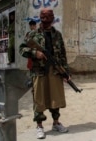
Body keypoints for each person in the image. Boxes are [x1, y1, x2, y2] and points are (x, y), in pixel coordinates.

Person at [19, 8, 70, 139]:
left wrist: (65, 72)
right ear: (41, 19)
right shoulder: (33, 34)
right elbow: (22, 49)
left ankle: (56, 123)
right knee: (39, 99)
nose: (46, 21)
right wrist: (36, 53)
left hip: (54, 71)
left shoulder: (57, 35)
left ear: (52, 20)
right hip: (38, 71)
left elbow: (63, 55)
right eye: (44, 18)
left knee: (55, 98)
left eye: (49, 18)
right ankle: (39, 126)